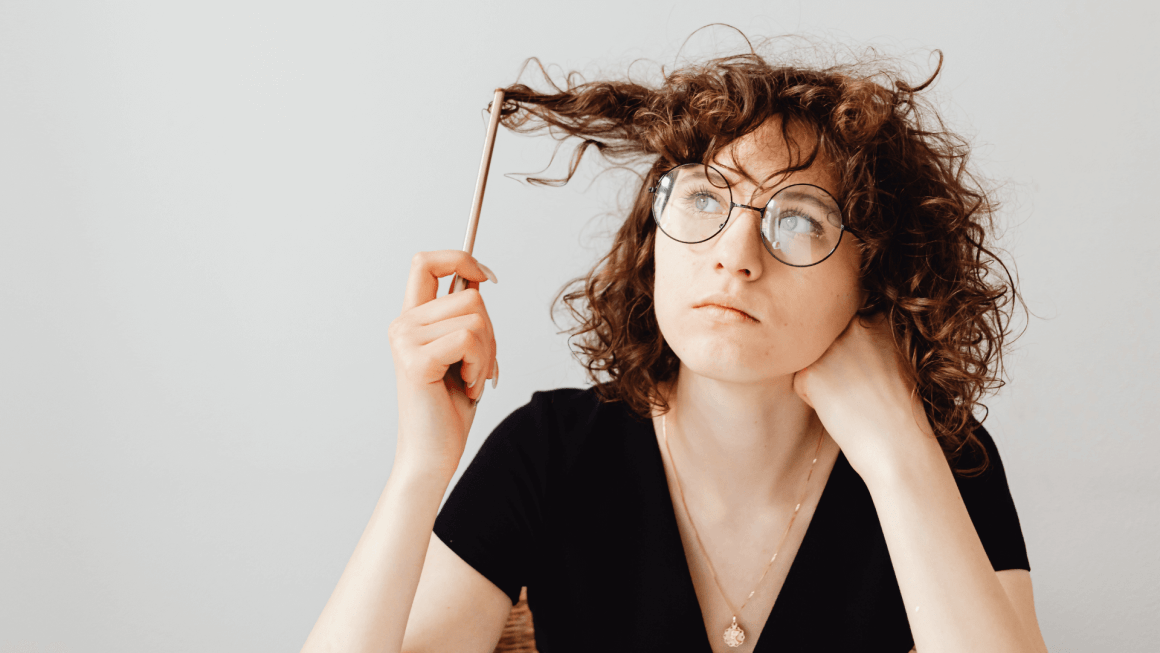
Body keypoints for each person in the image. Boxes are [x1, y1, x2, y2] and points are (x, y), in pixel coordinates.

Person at [301, 37, 1049, 653]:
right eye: (703, 197)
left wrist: (897, 453)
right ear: (654, 238)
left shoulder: (944, 457)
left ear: (876, 275)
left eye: (799, 219)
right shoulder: (551, 448)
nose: (735, 252)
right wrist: (420, 467)